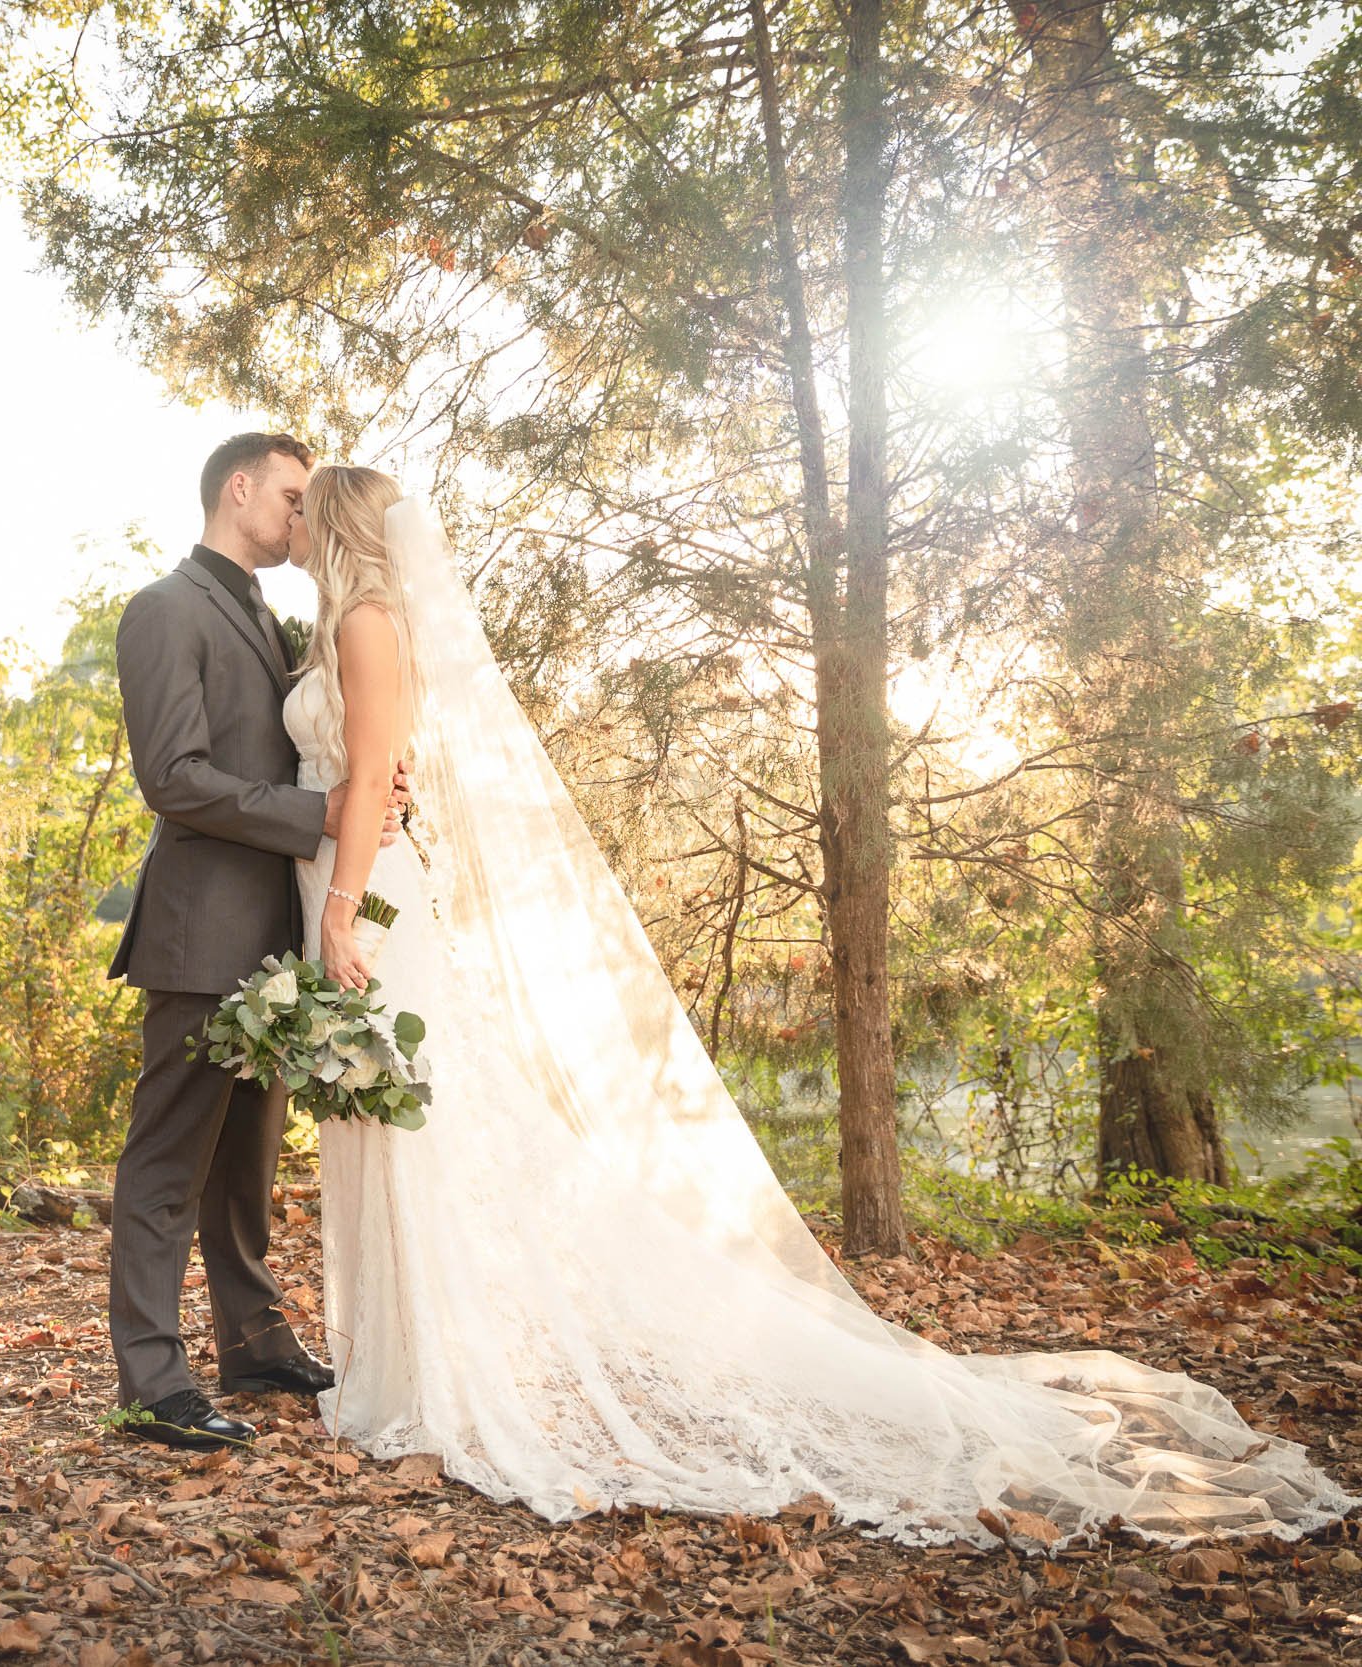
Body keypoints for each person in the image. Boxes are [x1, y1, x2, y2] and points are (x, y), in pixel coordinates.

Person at [281, 464, 1357, 1547]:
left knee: (412, 1122)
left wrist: (337, 912)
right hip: (355, 882)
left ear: (331, 525)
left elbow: (372, 777)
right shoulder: (353, 624)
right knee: (388, 1121)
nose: (289, 524)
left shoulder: (370, 621)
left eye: (300, 509)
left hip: (367, 896)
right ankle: (408, 1359)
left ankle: (434, 1375)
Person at [105, 433, 406, 1452]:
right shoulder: (162, 609)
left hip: (276, 940)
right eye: (288, 494)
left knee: (245, 1165)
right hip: (197, 935)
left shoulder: (275, 619)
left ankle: (255, 1339)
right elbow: (174, 778)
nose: (300, 513)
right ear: (237, 491)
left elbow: (333, 743)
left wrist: (371, 786)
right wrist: (315, 814)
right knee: (165, 1165)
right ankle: (151, 1377)